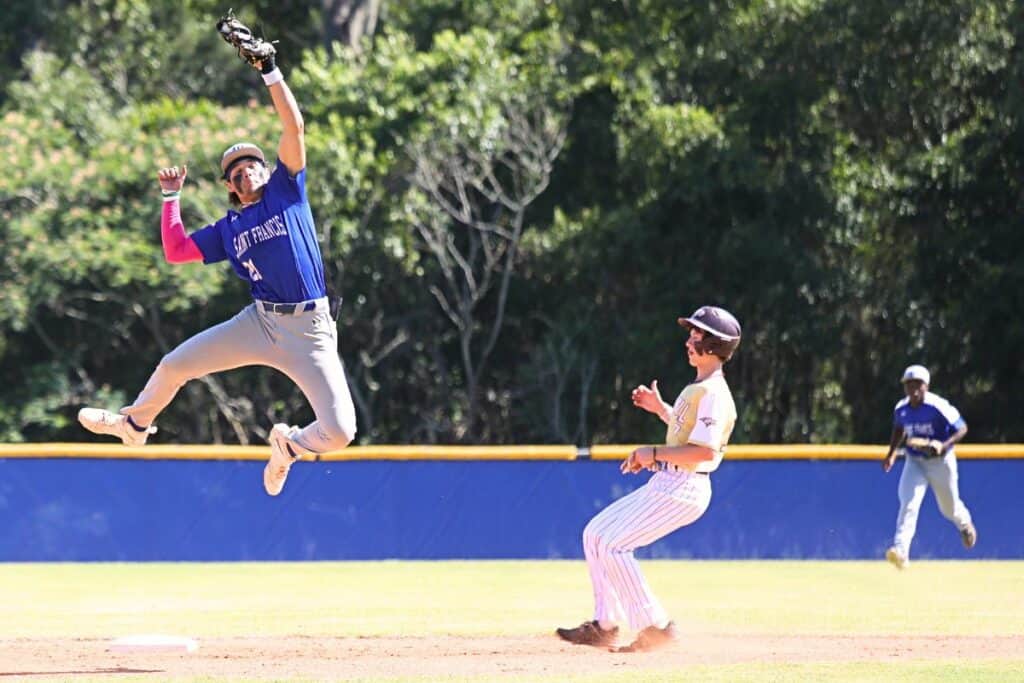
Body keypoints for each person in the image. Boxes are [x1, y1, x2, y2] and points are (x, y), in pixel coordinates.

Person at [77, 33, 357, 497]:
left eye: (253, 164)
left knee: (341, 432)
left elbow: (295, 128)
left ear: (268, 171)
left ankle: (288, 446)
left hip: (311, 331)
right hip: (261, 322)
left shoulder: (288, 191)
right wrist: (171, 199)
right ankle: (134, 424)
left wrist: (270, 70)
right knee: (173, 365)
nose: (246, 170)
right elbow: (177, 250)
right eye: (236, 170)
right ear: (230, 186)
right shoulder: (227, 228)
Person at [556, 305, 741, 653]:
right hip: (669, 483)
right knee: (595, 534)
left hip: (685, 487)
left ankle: (655, 627)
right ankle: (604, 624)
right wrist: (661, 410)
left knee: (614, 545)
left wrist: (651, 453)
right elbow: (686, 435)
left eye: (696, 335)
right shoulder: (701, 387)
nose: (689, 340)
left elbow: (703, 451)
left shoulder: (715, 394)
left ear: (714, 344)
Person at [881, 364, 976, 569]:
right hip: (915, 461)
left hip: (941, 462)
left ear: (926, 385)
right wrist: (891, 454)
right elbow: (898, 429)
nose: (913, 389)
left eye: (918, 384)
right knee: (909, 503)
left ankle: (964, 522)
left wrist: (943, 445)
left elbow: (962, 428)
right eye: (909, 384)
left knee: (948, 507)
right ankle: (901, 551)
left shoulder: (937, 406)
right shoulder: (902, 408)